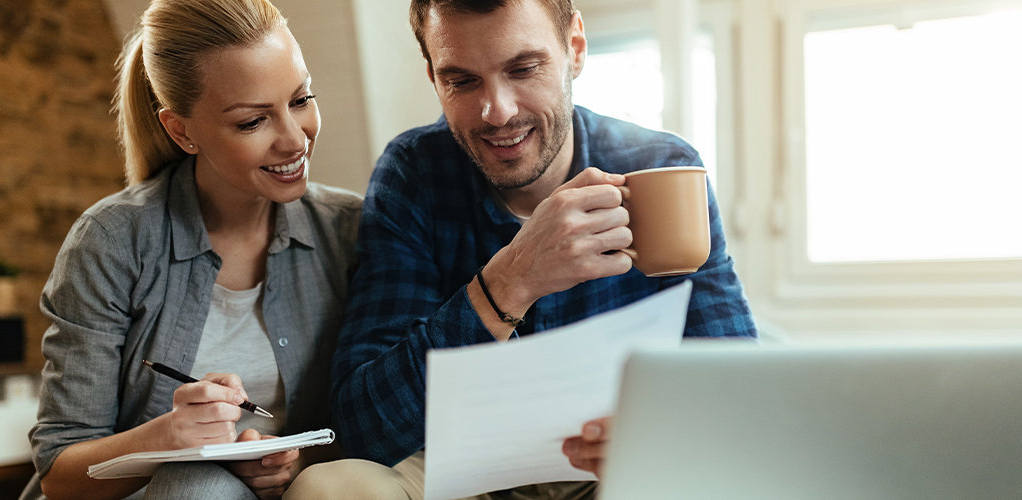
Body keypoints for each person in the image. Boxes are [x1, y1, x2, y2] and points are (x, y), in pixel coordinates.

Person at [286, 0, 755, 497]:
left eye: (524, 69)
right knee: (330, 488)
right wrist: (511, 280)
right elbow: (364, 428)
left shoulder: (663, 167)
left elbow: (739, 385)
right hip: (461, 466)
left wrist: (659, 432)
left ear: (573, 48)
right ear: (432, 76)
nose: (498, 111)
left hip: (616, 465)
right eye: (462, 81)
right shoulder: (415, 173)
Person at [18, 0, 360, 498]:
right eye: (251, 122)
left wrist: (292, 459)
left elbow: (384, 414)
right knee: (196, 483)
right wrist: (166, 438)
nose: (294, 140)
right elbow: (59, 476)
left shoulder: (350, 230)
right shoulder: (111, 242)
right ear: (182, 130)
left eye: (301, 99)